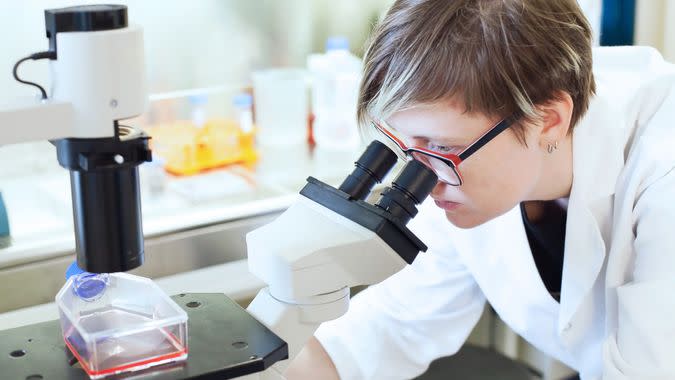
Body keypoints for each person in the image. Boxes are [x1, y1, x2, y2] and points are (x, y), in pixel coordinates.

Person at [285, 0, 675, 379]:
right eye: (407, 147)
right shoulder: (469, 166)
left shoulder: (663, 169)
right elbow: (390, 327)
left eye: (442, 148)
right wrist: (263, 349)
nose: (426, 180)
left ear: (550, 120)